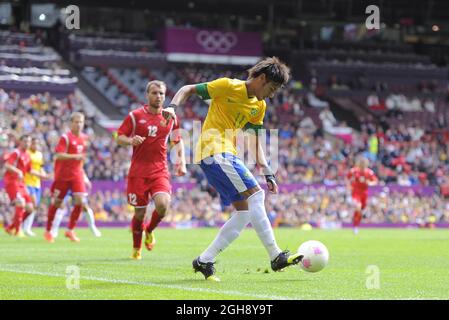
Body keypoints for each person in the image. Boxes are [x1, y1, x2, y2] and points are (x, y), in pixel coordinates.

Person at [164, 57, 303, 281]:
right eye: (272, 87)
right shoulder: (229, 86)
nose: (272, 93)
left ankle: (204, 260)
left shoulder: (259, 105)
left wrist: (268, 171)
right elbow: (188, 89)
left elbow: (255, 140)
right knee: (256, 195)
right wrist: (172, 107)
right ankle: (276, 256)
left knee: (244, 212)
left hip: (224, 155)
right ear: (261, 78)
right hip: (214, 151)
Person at [116, 80, 186, 260]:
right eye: (155, 93)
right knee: (139, 213)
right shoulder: (135, 115)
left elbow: (177, 140)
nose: (159, 96)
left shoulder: (171, 117)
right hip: (138, 172)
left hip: (159, 170)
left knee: (163, 206)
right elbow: (119, 136)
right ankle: (136, 248)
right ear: (147, 95)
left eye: (162, 93)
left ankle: (150, 230)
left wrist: (182, 162)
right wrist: (130, 141)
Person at [44, 112, 91, 243]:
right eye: (76, 122)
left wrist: (84, 176)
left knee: (80, 201)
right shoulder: (65, 137)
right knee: (57, 203)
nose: (79, 124)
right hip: (62, 175)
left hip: (77, 175)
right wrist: (75, 156)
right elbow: (58, 155)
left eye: (81, 122)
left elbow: (81, 160)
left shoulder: (84, 138)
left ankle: (70, 230)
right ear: (71, 123)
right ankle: (48, 231)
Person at [3, 135, 37, 236]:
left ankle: (11, 227)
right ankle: (18, 231)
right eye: (25, 141)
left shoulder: (27, 155)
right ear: (20, 142)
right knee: (20, 203)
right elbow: (7, 165)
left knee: (30, 208)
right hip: (12, 182)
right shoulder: (16, 152)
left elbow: (30, 170)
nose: (27, 144)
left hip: (21, 183)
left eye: (29, 142)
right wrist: (18, 171)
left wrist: (44, 175)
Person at [22, 137, 48, 236]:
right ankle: (23, 226)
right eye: (34, 143)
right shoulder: (27, 153)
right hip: (27, 182)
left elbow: (41, 167)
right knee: (30, 205)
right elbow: (28, 169)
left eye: (37, 143)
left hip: (37, 183)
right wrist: (40, 175)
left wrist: (44, 174)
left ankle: (27, 228)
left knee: (35, 206)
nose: (35, 145)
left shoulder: (39, 154)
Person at [346, 157, 378, 234]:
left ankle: (356, 224)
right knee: (358, 207)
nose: (363, 166)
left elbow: (375, 181)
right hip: (356, 192)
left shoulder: (369, 172)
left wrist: (370, 183)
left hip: (364, 193)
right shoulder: (354, 171)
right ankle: (356, 226)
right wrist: (348, 186)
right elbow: (347, 178)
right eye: (361, 164)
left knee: (360, 210)